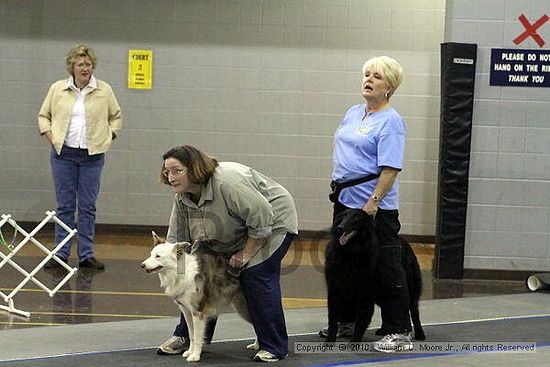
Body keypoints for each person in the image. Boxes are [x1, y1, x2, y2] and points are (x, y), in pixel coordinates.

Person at [156, 145, 298, 362]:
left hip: (272, 223)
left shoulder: (227, 182)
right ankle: (187, 337)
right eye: (167, 172)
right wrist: (181, 281)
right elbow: (177, 243)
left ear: (193, 169)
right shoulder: (183, 197)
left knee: (255, 274)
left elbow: (262, 219)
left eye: (176, 170)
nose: (171, 177)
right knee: (196, 278)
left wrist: (244, 255)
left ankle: (274, 346)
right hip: (227, 233)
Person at [320, 56, 412, 352]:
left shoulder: (392, 121)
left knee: (386, 265)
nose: (368, 80)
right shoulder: (353, 113)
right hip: (345, 203)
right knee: (345, 268)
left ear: (389, 86)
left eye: (376, 76)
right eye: (366, 74)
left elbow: (390, 169)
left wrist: (373, 201)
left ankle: (399, 330)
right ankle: (345, 323)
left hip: (375, 209)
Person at [38, 44, 122, 270]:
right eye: (80, 64)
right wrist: (51, 137)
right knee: (64, 206)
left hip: (92, 157)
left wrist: (108, 136)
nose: (85, 68)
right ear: (71, 67)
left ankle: (86, 254)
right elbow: (43, 116)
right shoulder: (57, 89)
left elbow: (116, 117)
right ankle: (61, 254)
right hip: (63, 155)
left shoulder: (104, 90)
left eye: (88, 64)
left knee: (87, 207)